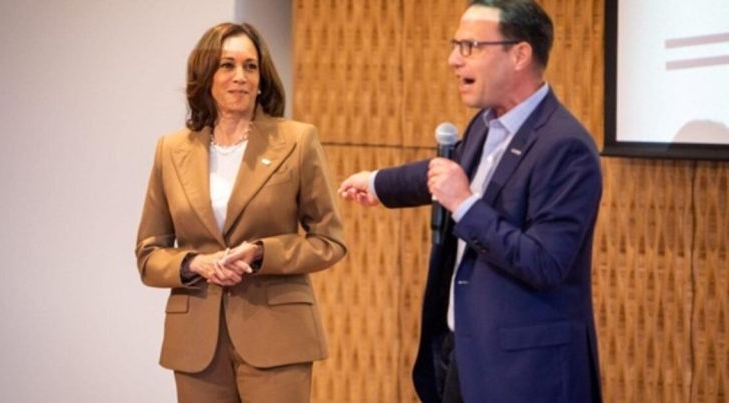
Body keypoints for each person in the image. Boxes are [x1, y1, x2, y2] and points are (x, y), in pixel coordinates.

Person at [339, 1, 603, 402]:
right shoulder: (485, 123)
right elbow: (450, 171)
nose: (453, 60)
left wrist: (464, 205)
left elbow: (546, 263)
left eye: (470, 47)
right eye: (455, 45)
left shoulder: (566, 147)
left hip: (526, 372)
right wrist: (378, 184)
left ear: (520, 54)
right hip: (464, 353)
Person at [135, 22, 346, 403]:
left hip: (277, 337)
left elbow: (329, 241)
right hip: (196, 342)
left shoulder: (297, 141)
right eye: (227, 65)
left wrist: (262, 253)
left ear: (262, 79)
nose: (240, 77)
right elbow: (149, 254)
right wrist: (195, 263)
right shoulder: (171, 150)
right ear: (206, 76)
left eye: (250, 66)